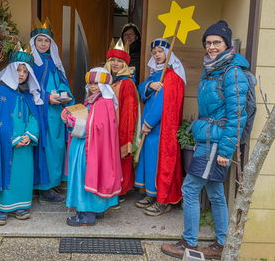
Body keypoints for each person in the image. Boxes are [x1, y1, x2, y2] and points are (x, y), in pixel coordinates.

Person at [161, 20, 249, 259]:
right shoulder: (211, 69)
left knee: (189, 189)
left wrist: (226, 150)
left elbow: (237, 116)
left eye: (216, 42)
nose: (211, 47)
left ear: (227, 45)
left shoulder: (232, 73)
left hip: (215, 144)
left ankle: (188, 243)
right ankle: (221, 245)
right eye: (208, 43)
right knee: (216, 193)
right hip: (207, 140)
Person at [0, 48, 49, 225]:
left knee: (23, 174)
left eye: (25, 71)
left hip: (25, 145)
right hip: (6, 145)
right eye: (18, 70)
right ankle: (2, 209)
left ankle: (20, 206)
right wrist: (12, 139)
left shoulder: (28, 94)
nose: (21, 74)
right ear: (11, 69)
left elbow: (34, 117)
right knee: (4, 171)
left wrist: (29, 135)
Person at [62, 67, 123, 226]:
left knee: (86, 176)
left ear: (104, 85)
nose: (92, 87)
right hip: (96, 149)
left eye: (96, 83)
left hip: (88, 150)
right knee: (98, 175)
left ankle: (86, 215)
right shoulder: (98, 101)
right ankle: (97, 209)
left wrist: (70, 121)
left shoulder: (101, 103)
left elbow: (91, 129)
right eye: (90, 83)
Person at [135, 38, 186, 216]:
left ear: (168, 53)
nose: (157, 55)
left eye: (160, 51)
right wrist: (149, 85)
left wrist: (148, 123)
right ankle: (152, 193)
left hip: (161, 128)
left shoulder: (171, 75)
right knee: (150, 161)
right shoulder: (155, 74)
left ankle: (163, 200)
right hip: (151, 127)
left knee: (160, 161)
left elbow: (162, 103)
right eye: (154, 52)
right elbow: (142, 90)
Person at [30, 17, 75, 204]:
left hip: (57, 114)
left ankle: (52, 184)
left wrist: (67, 96)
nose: (43, 44)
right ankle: (44, 191)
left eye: (46, 40)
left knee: (57, 149)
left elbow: (63, 83)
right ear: (34, 42)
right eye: (39, 40)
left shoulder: (55, 62)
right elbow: (27, 88)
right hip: (41, 114)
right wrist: (47, 97)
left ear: (51, 43)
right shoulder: (31, 63)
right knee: (45, 149)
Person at [104, 38, 141, 204]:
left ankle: (120, 191)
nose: (115, 64)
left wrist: (125, 135)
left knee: (121, 160)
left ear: (125, 64)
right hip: (105, 128)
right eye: (113, 60)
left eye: (119, 61)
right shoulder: (106, 81)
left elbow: (129, 112)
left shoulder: (126, 83)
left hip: (120, 128)